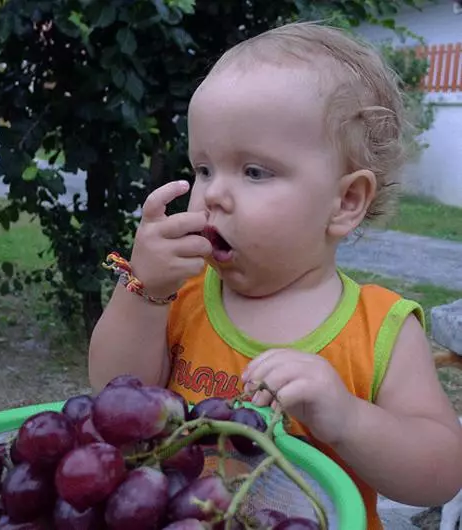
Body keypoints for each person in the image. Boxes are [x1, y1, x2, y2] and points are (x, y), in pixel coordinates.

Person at [89, 21, 462, 529]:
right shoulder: (182, 295)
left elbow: (440, 474)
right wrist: (143, 291)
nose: (213, 194)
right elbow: (112, 397)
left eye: (254, 172)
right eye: (203, 169)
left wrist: (347, 419)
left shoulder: (382, 330)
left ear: (346, 201)